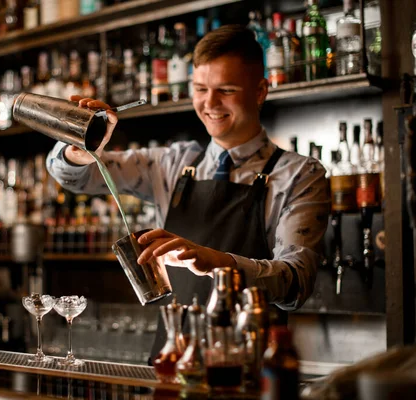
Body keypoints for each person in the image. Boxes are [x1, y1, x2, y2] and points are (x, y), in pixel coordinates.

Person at [45, 24, 330, 358]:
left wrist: (219, 264)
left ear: (260, 91)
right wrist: (81, 148)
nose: (209, 103)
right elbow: (76, 178)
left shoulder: (300, 174)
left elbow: (296, 283)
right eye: (200, 88)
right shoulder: (173, 163)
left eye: (226, 89)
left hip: (248, 370)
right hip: (171, 364)